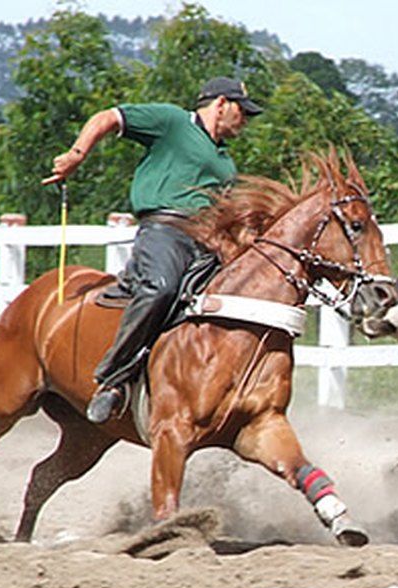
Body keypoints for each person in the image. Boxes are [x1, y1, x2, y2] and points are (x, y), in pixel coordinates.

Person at [41, 77, 263, 424]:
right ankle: (112, 378)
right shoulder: (173, 121)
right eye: (242, 111)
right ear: (221, 104)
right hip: (165, 231)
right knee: (161, 288)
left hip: (207, 242)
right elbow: (109, 117)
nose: (245, 119)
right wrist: (76, 155)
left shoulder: (225, 162)